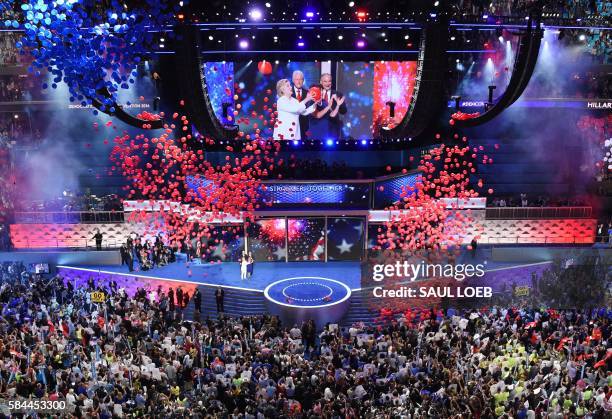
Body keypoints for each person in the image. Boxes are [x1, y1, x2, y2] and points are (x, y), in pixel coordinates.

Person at [309, 73, 347, 140]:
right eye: (325, 81)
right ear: (321, 82)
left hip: (333, 130)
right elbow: (315, 113)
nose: (327, 83)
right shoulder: (315, 94)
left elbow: (343, 111)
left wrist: (339, 104)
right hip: (318, 128)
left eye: (329, 81)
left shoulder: (338, 94)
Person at [291, 70, 310, 139]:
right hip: (291, 126)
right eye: (297, 79)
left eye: (300, 79)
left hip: (304, 126)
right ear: (293, 80)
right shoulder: (288, 93)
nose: (299, 82)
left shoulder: (308, 93)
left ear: (303, 80)